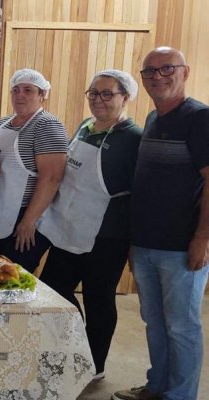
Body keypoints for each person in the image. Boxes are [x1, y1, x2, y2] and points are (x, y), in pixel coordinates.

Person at [113, 47, 209, 400]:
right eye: (149, 72)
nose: (157, 76)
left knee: (182, 327)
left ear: (185, 71)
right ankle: (157, 387)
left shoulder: (199, 118)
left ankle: (180, 396)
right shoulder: (154, 119)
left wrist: (202, 238)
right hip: (145, 242)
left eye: (166, 68)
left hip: (182, 246)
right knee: (154, 322)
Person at [36, 69, 142, 382]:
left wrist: (134, 241)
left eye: (107, 94)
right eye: (94, 93)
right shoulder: (85, 127)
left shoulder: (133, 137)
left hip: (107, 235)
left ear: (124, 97)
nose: (99, 100)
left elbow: (141, 191)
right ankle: (70, 348)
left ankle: (94, 365)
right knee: (54, 291)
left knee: (99, 299)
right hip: (67, 226)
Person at [0, 68, 68, 270]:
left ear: (42, 95)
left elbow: (52, 177)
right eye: (16, 89)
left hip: (27, 216)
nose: (20, 95)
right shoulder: (2, 123)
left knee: (13, 276)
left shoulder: (47, 125)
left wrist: (29, 221)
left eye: (28, 90)